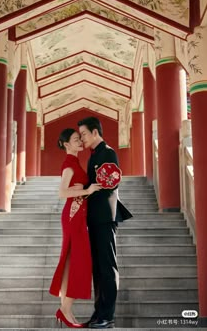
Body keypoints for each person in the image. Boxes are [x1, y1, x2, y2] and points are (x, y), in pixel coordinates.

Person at [78, 116, 132, 329]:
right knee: (98, 268)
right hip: (94, 218)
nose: (81, 139)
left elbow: (110, 184)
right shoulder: (93, 156)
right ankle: (99, 312)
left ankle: (107, 315)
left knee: (108, 267)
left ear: (95, 133)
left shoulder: (108, 152)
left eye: (83, 134)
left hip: (105, 217)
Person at [49, 128, 101, 328]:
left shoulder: (76, 163)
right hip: (73, 217)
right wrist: (87, 190)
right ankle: (65, 309)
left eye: (80, 139)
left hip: (78, 216)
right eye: (75, 139)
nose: (80, 141)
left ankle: (66, 310)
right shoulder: (69, 164)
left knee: (71, 262)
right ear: (66, 144)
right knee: (78, 262)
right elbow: (61, 192)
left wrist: (84, 191)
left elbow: (72, 190)